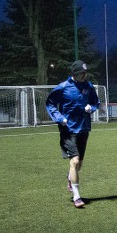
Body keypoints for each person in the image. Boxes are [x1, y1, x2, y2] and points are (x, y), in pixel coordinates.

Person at [46, 60, 101, 209]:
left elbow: (96, 102)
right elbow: (50, 103)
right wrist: (59, 118)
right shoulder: (63, 87)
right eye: (82, 73)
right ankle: (77, 196)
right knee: (75, 162)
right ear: (74, 74)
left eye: (85, 73)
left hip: (83, 128)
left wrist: (92, 107)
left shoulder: (88, 86)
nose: (84, 75)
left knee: (79, 165)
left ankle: (70, 178)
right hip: (68, 130)